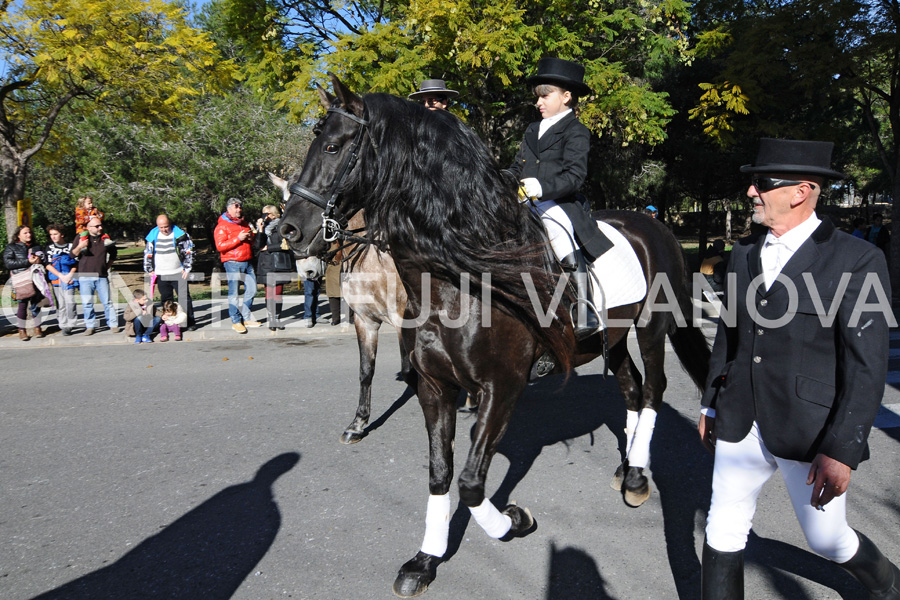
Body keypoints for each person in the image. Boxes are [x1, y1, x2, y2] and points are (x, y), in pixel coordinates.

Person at [698, 138, 899, 599]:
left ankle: (888, 584)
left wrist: (843, 450)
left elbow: (867, 366)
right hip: (740, 418)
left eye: (762, 183)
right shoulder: (745, 254)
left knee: (827, 539)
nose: (751, 192)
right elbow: (728, 336)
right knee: (723, 528)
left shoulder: (857, 259)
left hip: (808, 429)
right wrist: (710, 403)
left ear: (802, 190)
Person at [507, 57, 613, 340]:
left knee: (555, 227)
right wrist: (499, 178)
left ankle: (585, 310)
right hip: (527, 200)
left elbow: (575, 176)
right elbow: (518, 166)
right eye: (538, 97)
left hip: (561, 202)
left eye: (545, 95)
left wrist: (540, 188)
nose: (538, 102)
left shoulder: (576, 130)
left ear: (566, 97)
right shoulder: (532, 129)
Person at [214, 197, 261, 333]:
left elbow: (250, 242)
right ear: (229, 209)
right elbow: (220, 246)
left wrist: (250, 238)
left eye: (240, 206)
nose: (239, 209)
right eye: (236, 207)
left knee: (252, 290)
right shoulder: (222, 226)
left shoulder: (244, 223)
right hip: (233, 262)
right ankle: (236, 321)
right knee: (234, 293)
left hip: (247, 260)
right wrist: (238, 239)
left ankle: (246, 317)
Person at [143, 214, 197, 330]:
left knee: (184, 298)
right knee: (166, 300)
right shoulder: (153, 236)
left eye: (166, 227)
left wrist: (187, 268)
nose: (164, 230)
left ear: (170, 224)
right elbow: (148, 253)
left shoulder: (180, 235)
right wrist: (149, 269)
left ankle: (189, 322)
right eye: (161, 227)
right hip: (161, 273)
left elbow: (189, 251)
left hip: (178, 272)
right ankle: (170, 323)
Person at [71, 217, 118, 335]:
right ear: (89, 228)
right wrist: (80, 246)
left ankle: (112, 324)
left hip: (101, 275)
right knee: (87, 303)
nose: (100, 228)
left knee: (107, 302)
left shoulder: (105, 239)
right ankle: (90, 326)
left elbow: (114, 254)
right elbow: (72, 255)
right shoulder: (81, 238)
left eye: (100, 225)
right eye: (97, 226)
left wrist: (107, 266)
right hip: (85, 276)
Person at [3, 225, 48, 340]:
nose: (29, 235)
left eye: (29, 232)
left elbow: (45, 259)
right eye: (25, 233)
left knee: (36, 304)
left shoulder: (37, 246)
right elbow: (8, 263)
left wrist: (40, 260)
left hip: (35, 278)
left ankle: (38, 327)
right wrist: (27, 261)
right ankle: (21, 330)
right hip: (21, 279)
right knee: (22, 305)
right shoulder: (11, 247)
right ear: (18, 235)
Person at [254, 205, 294, 330]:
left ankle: (277, 318)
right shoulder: (264, 228)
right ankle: (271, 319)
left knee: (277, 293)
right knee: (269, 293)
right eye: (263, 214)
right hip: (266, 263)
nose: (265, 217)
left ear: (273, 214)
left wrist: (269, 248)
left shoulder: (282, 225)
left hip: (279, 263)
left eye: (267, 214)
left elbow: (286, 243)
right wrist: (260, 230)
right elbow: (258, 245)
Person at [45, 224, 79, 336]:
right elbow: (47, 264)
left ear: (62, 234)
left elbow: (76, 262)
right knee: (61, 304)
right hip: (57, 279)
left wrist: (70, 275)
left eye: (55, 234)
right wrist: (60, 276)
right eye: (51, 235)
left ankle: (71, 324)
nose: (53, 237)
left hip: (69, 279)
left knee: (70, 302)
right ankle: (63, 325)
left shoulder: (70, 246)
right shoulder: (49, 248)